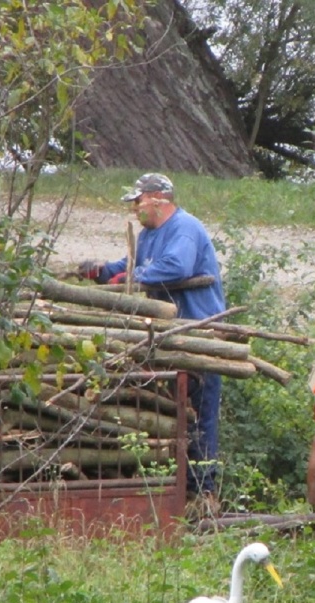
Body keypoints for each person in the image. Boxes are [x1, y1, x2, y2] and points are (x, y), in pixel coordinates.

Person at [78, 173, 225, 511]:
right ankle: (171, 487)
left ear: (158, 199)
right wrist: (100, 270)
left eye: (138, 200)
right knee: (170, 415)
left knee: (199, 417)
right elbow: (128, 265)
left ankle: (202, 493)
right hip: (164, 338)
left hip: (194, 334)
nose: (134, 207)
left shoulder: (185, 229)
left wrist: (132, 278)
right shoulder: (148, 235)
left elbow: (176, 266)